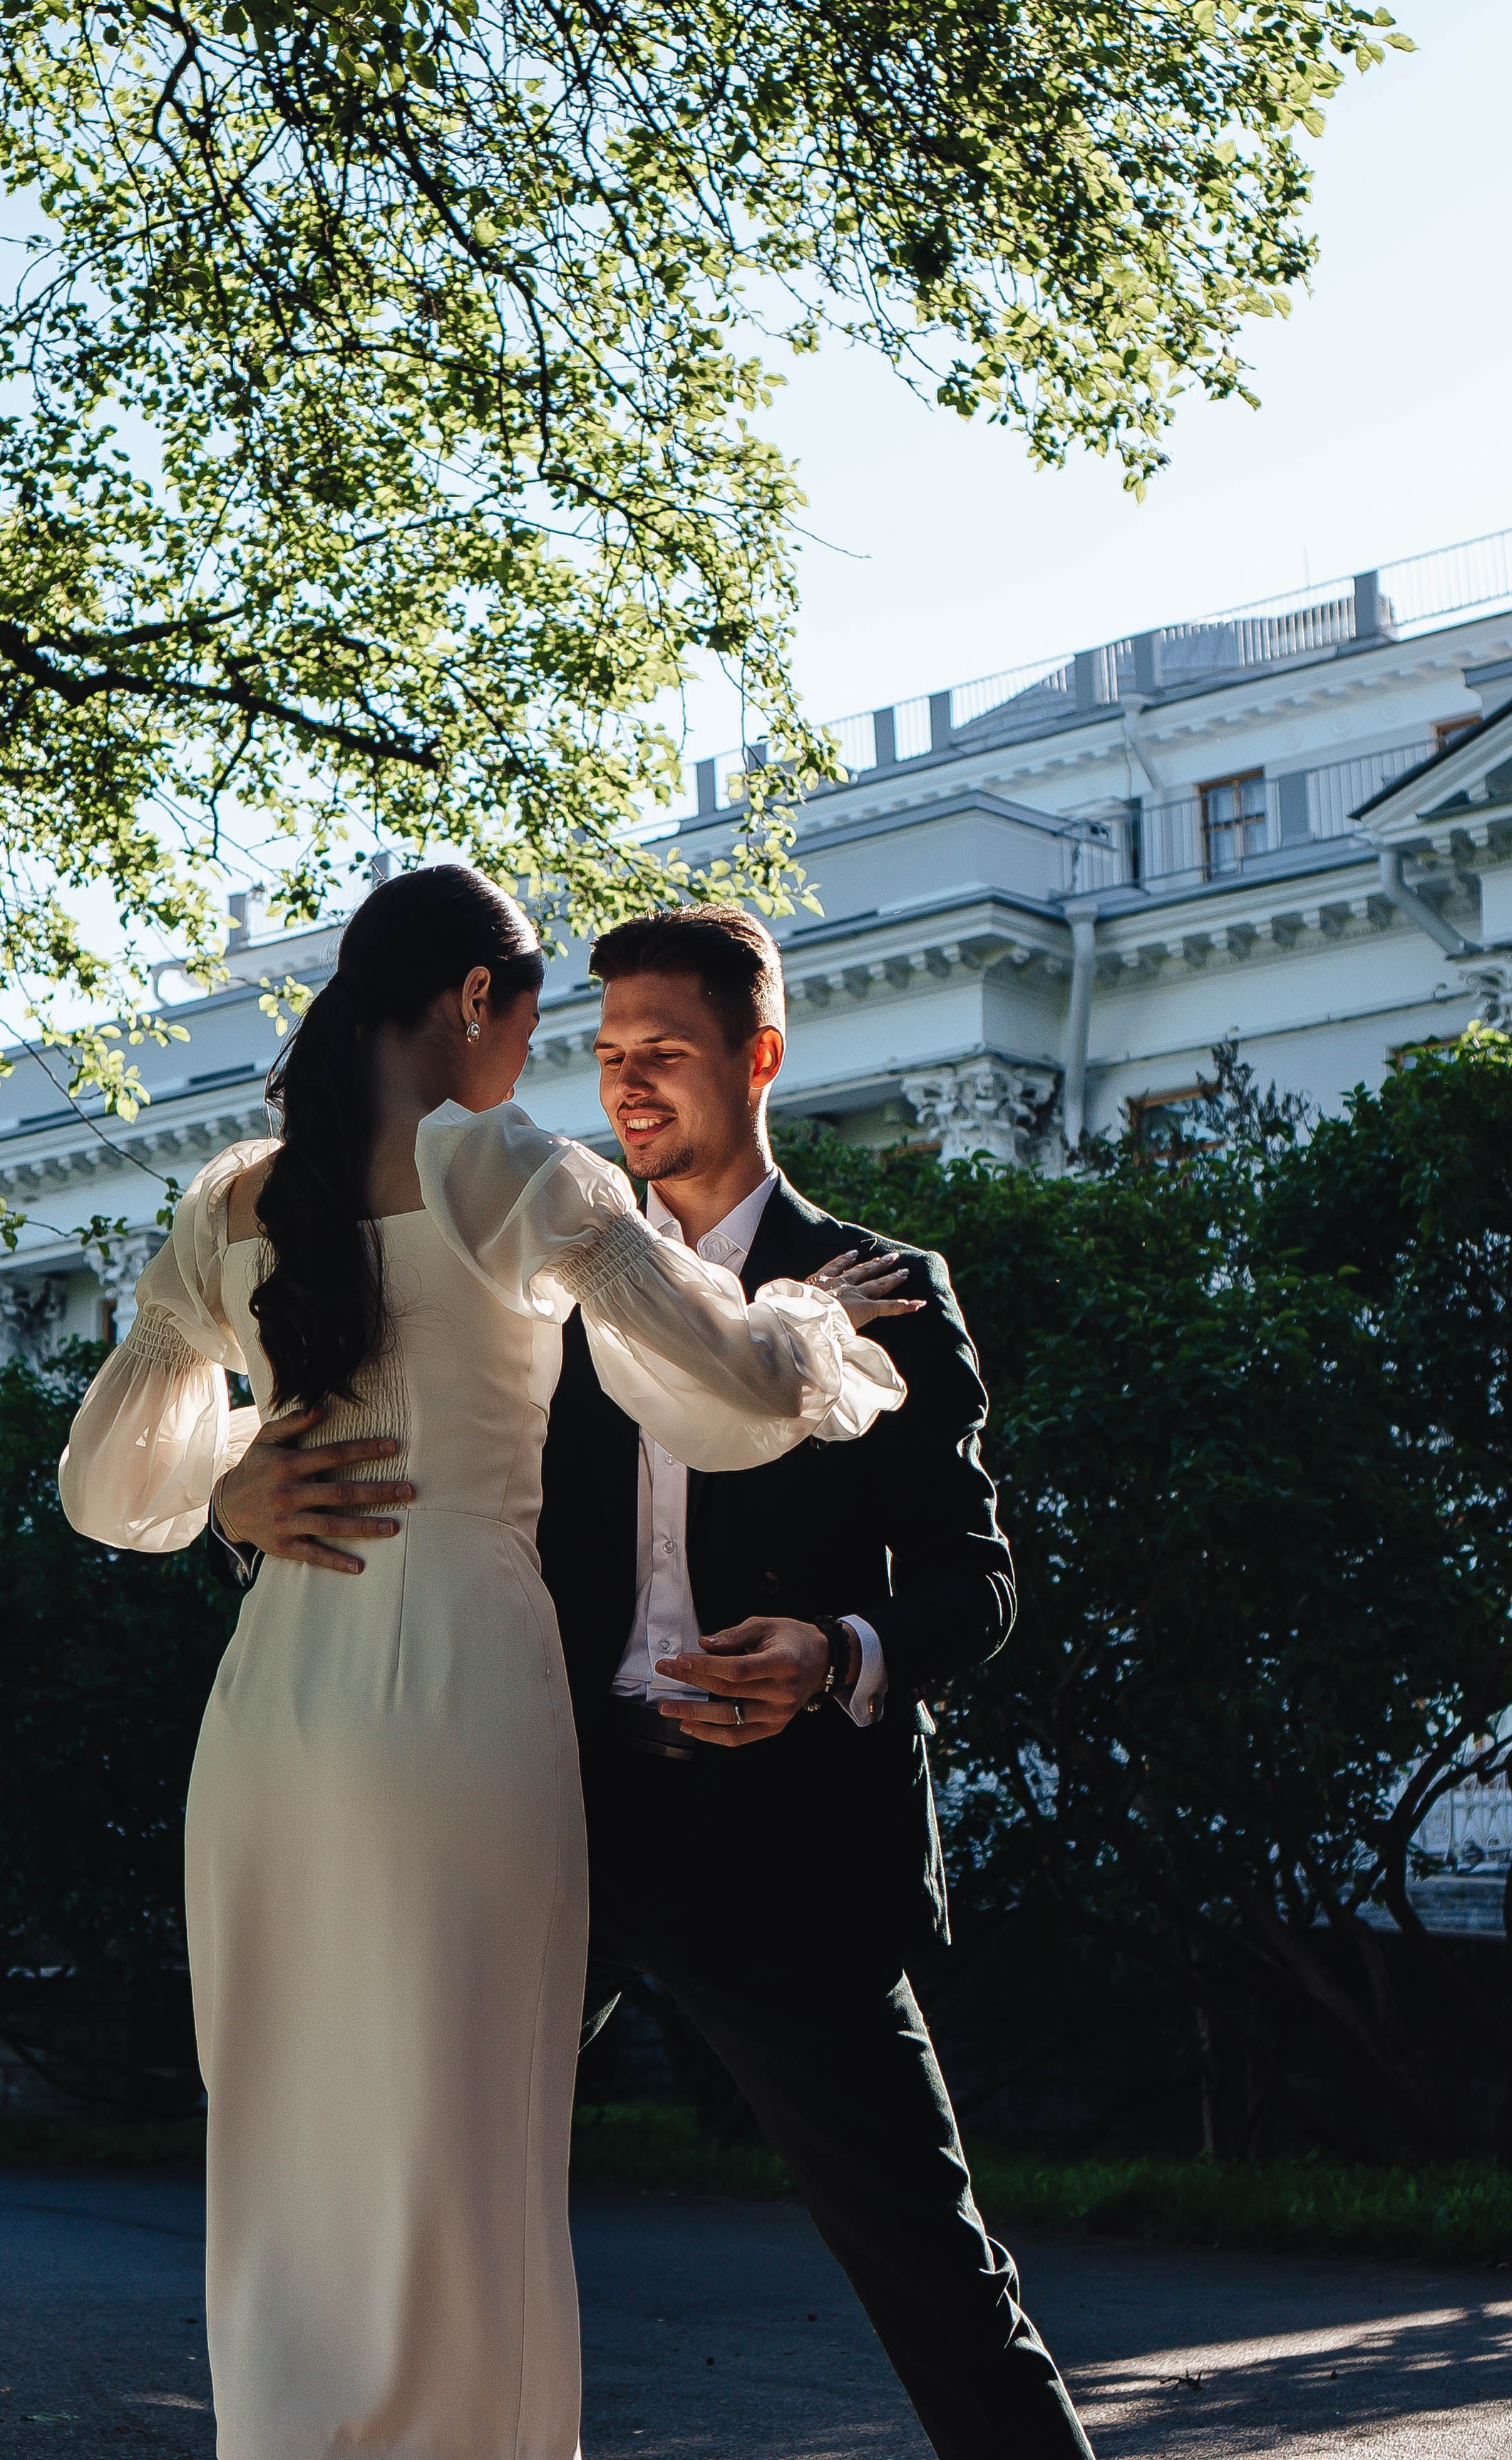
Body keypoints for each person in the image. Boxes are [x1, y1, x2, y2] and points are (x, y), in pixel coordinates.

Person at [57, 865, 910, 2460]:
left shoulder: (232, 1196)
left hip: (275, 1705)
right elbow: (724, 1380)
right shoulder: (507, 1168)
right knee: (466, 2153)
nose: (542, 1058)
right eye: (533, 1021)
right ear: (471, 1001)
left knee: (289, 2144)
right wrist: (805, 1312)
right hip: (456, 1689)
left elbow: (105, 1485)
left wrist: (231, 1475)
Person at [539, 904, 1095, 2460]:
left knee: (928, 2266)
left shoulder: (884, 1288)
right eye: (606, 1056)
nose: (626, 1085)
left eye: (661, 1051)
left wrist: (834, 1652)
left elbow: (973, 1584)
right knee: (427, 2205)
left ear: (758, 1055)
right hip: (559, 1824)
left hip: (782, 1847)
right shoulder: (558, 1298)